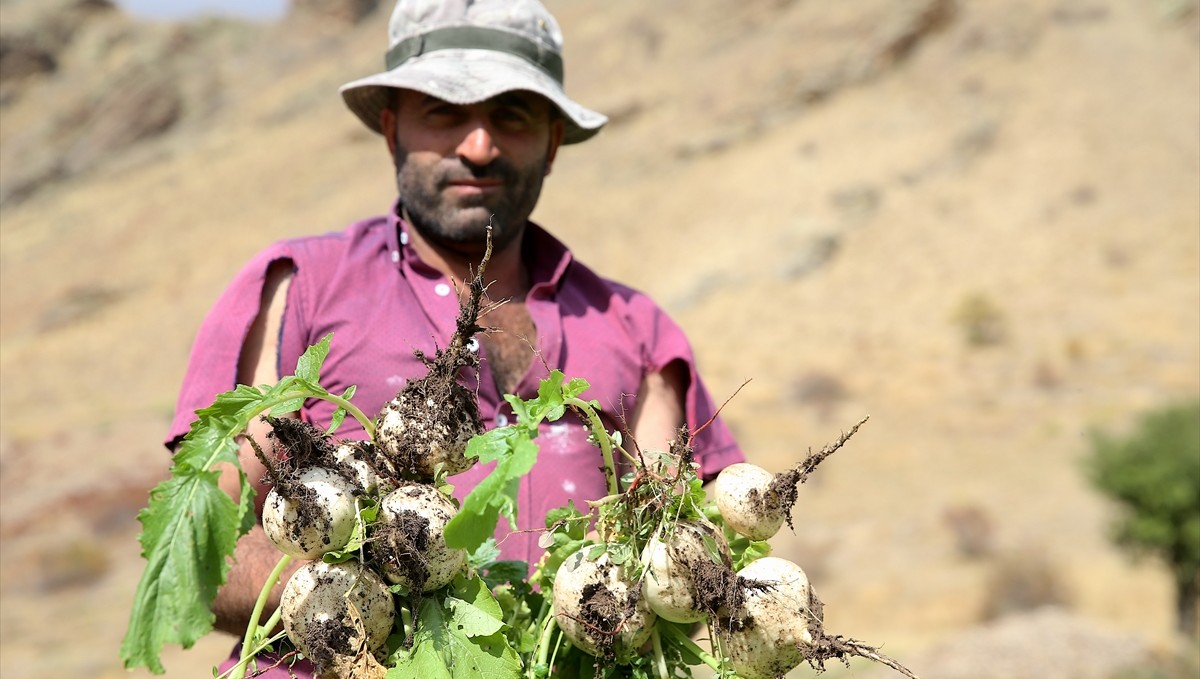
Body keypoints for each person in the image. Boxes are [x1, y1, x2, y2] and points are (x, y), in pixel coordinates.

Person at [166, 0, 745, 675]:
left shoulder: (636, 328)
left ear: (553, 141)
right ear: (392, 128)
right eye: (444, 111)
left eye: (512, 114)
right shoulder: (300, 287)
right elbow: (201, 552)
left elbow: (685, 561)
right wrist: (369, 594)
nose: (479, 145)